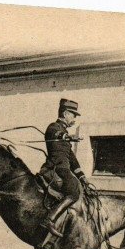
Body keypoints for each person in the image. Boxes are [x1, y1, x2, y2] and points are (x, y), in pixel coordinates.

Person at [39, 98, 91, 237]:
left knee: (80, 186)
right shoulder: (54, 127)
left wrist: (83, 178)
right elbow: (56, 134)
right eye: (73, 115)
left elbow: (73, 161)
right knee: (73, 191)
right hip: (55, 168)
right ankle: (49, 220)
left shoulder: (65, 136)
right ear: (66, 113)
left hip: (64, 169)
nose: (74, 119)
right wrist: (67, 136)